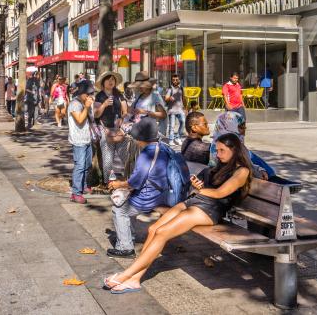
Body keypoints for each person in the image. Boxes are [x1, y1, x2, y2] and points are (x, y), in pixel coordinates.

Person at [105, 132, 252, 294]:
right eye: (217, 150)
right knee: (153, 229)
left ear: (235, 149)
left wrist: (201, 189)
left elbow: (220, 193)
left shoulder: (242, 171)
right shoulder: (222, 166)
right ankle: (134, 279)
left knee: (162, 232)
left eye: (222, 150)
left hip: (209, 210)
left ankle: (126, 275)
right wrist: (198, 185)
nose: (218, 154)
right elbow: (206, 188)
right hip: (196, 201)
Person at [106, 118, 169, 258]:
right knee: (128, 201)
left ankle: (125, 247)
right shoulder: (163, 147)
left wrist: (118, 184)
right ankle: (130, 235)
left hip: (152, 196)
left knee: (119, 209)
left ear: (140, 139)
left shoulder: (147, 154)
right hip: (165, 192)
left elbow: (135, 182)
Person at [209, 110, 275, 178]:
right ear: (230, 127)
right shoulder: (232, 147)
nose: (245, 129)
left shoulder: (216, 144)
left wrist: (260, 169)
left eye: (244, 126)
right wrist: (260, 172)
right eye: (241, 127)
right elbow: (246, 168)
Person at [94, 70, 128, 182]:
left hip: (118, 130)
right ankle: (107, 183)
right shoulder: (99, 96)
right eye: (108, 79)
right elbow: (96, 114)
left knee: (126, 156)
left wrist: (122, 119)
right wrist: (104, 104)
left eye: (113, 79)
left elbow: (125, 111)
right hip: (105, 130)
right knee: (108, 159)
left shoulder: (118, 94)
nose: (111, 81)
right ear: (103, 82)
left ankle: (128, 180)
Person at [68, 79, 95, 204]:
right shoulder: (74, 104)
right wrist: (87, 107)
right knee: (80, 166)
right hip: (78, 141)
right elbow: (79, 120)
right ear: (82, 93)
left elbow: (91, 120)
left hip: (87, 139)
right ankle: (76, 193)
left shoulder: (85, 103)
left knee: (87, 165)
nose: (90, 96)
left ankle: (83, 185)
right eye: (88, 94)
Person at [163, 74, 186, 144]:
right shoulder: (170, 89)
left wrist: (185, 108)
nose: (175, 81)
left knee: (183, 122)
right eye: (173, 80)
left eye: (176, 80)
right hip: (172, 110)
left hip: (180, 110)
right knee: (172, 126)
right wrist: (169, 98)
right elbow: (166, 98)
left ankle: (178, 137)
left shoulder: (181, 88)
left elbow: (184, 98)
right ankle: (171, 140)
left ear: (179, 80)